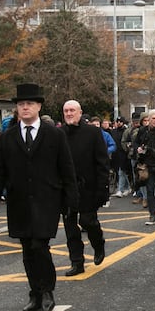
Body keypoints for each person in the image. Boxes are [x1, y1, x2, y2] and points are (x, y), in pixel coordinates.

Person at [0, 83, 78, 311]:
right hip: (19, 202)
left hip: (46, 201)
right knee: (27, 249)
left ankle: (46, 290)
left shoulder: (54, 135)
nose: (25, 108)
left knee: (40, 246)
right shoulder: (8, 138)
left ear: (38, 106)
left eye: (29, 104)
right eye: (20, 104)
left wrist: (71, 201)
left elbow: (66, 169)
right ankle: (34, 293)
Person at [61, 100, 110, 276]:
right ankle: (77, 262)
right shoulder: (59, 134)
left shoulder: (93, 133)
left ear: (80, 113)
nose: (69, 113)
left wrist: (102, 189)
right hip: (66, 189)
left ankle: (98, 244)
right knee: (70, 228)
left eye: (72, 110)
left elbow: (102, 162)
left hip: (88, 188)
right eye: (66, 110)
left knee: (87, 222)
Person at [110, 116, 131, 197]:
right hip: (115, 154)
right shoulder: (113, 131)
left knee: (121, 171)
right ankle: (127, 187)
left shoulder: (126, 131)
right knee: (119, 171)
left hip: (123, 154)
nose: (119, 123)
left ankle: (120, 189)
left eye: (121, 121)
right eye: (117, 121)